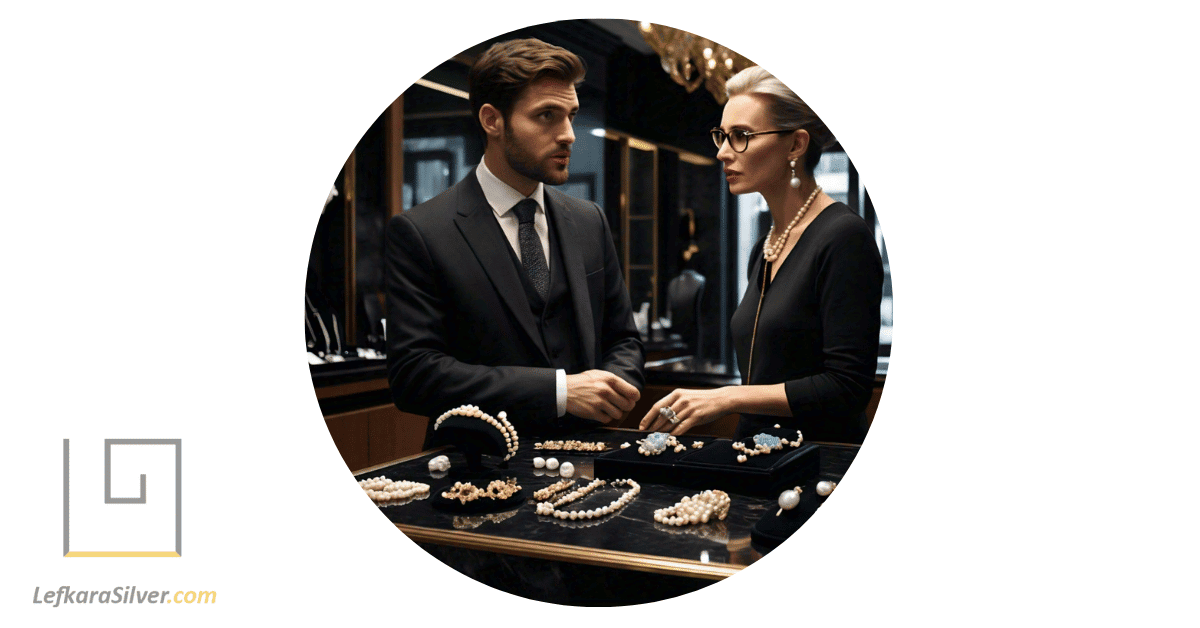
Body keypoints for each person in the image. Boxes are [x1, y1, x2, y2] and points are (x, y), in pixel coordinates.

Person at [386, 38, 644, 440]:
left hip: (586, 463)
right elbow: (415, 375)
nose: (569, 135)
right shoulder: (422, 231)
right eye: (547, 116)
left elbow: (623, 338)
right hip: (474, 472)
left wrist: (613, 385)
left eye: (571, 115)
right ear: (492, 120)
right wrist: (559, 392)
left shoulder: (588, 220)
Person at [640, 66, 882, 444]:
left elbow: (847, 387)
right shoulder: (766, 245)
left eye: (741, 136)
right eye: (722, 136)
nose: (722, 152)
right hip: (757, 456)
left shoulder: (844, 236)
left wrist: (727, 397)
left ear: (796, 145)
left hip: (820, 465)